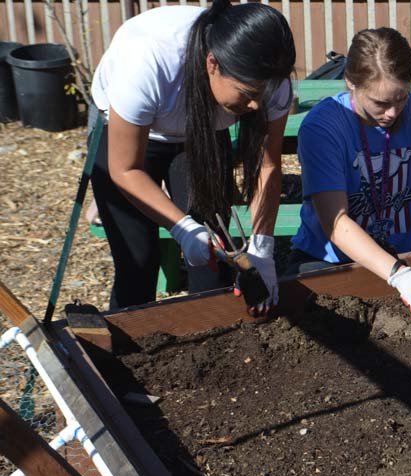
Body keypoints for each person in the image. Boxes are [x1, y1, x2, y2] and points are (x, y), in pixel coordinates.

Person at [89, 1, 295, 313]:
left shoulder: (270, 81)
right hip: (131, 135)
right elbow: (125, 167)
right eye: (247, 94)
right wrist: (182, 227)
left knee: (212, 258)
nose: (255, 106)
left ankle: (213, 343)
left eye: (263, 95)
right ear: (212, 64)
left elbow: (267, 165)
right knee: (138, 260)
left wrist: (262, 246)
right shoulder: (149, 60)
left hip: (202, 136)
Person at [286, 27, 411, 319]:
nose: (393, 113)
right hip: (329, 262)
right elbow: (335, 222)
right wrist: (398, 275)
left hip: (404, 255)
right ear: (350, 84)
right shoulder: (323, 127)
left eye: (402, 98)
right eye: (381, 103)